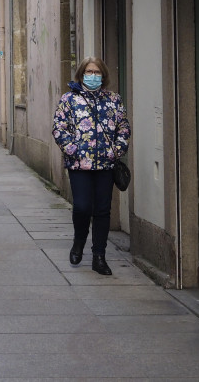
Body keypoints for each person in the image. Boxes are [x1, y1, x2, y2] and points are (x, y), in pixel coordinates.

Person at [52, 56, 131, 276]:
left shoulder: (113, 100)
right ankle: (79, 241)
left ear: (103, 75)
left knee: (103, 211)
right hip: (79, 165)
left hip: (106, 164)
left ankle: (99, 256)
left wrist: (117, 149)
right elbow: (59, 128)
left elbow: (123, 127)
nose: (93, 76)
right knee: (82, 207)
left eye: (97, 72)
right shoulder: (69, 100)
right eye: (89, 72)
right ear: (81, 74)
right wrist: (73, 150)